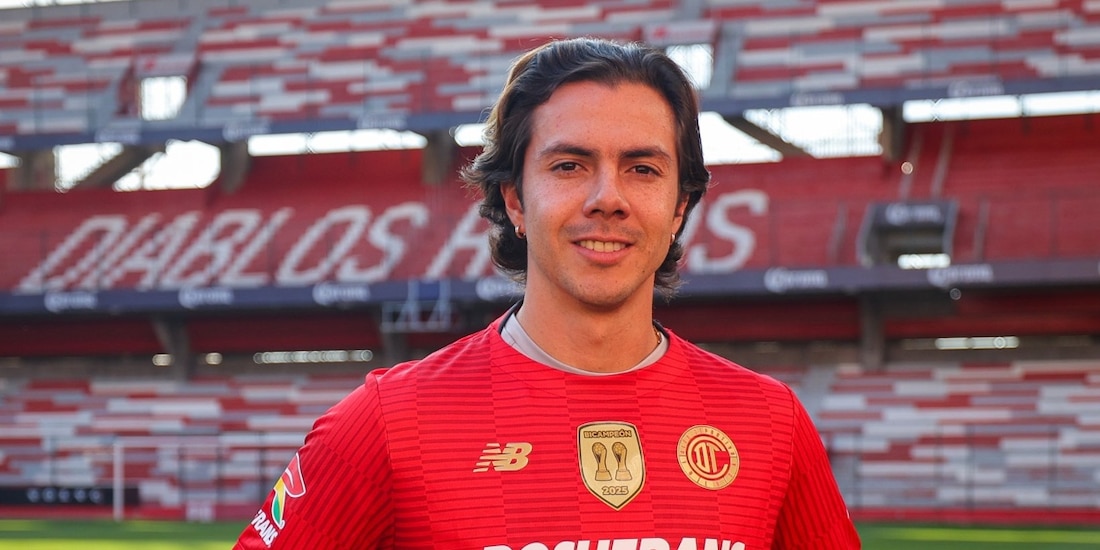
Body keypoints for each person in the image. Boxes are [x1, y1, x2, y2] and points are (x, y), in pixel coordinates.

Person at [234, 37, 860, 549]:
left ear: (679, 207)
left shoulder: (771, 424)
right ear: (515, 200)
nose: (607, 198)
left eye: (642, 169)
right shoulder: (389, 423)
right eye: (570, 166)